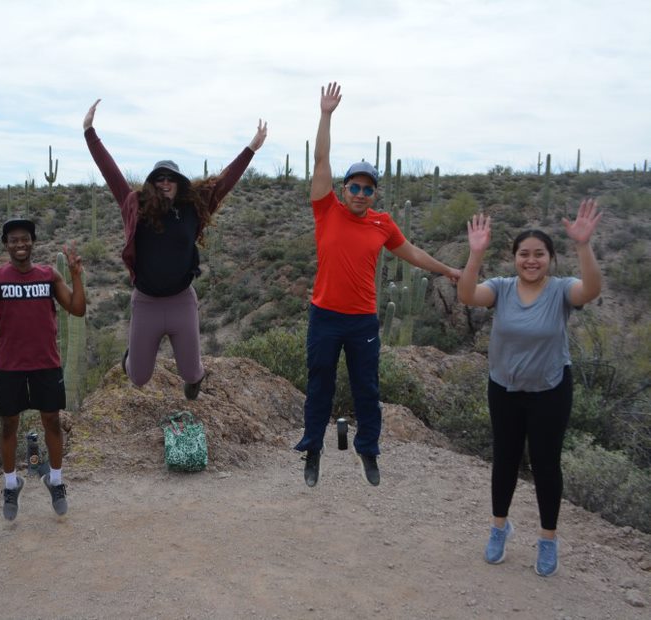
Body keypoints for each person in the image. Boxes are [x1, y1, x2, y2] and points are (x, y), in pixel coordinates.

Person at [296, 82, 461, 488]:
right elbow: (321, 158)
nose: (360, 193)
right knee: (320, 384)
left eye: (368, 188)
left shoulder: (382, 223)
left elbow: (414, 255)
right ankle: (312, 449)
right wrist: (326, 115)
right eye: (355, 185)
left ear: (373, 193)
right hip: (325, 316)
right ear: (344, 187)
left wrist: (448, 271)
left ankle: (368, 449)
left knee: (367, 388)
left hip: (362, 321)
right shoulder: (326, 209)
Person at [83, 99, 267, 398]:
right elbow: (111, 174)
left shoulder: (193, 207)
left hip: (182, 301)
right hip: (147, 303)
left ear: (180, 183)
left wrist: (251, 149)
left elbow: (225, 182)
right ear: (152, 184)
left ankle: (194, 381)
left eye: (170, 178)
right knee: (139, 378)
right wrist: (90, 133)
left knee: (192, 372)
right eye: (159, 179)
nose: (165, 183)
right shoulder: (136, 206)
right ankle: (132, 356)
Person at [457, 199, 602, 577]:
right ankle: (498, 529)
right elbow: (468, 296)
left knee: (546, 465)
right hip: (504, 388)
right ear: (515, 258)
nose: (531, 260)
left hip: (550, 390)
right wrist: (475, 254)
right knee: (504, 459)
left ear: (551, 258)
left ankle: (548, 539)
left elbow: (590, 290)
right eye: (524, 254)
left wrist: (584, 245)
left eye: (539, 254)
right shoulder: (502, 288)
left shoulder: (561, 290)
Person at [0, 219, 85, 521]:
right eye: (14, 240)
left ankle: (55, 481)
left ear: (33, 242)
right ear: (6, 244)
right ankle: (10, 484)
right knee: (8, 426)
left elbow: (78, 308)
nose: (20, 244)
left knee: (52, 422)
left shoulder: (48, 275)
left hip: (46, 363)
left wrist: (76, 275)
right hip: (9, 366)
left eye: (25, 239)